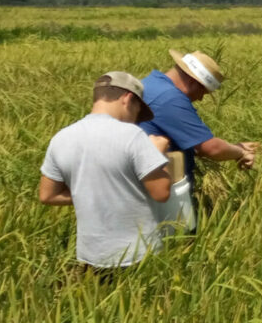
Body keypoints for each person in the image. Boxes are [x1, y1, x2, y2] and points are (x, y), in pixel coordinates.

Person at [39, 72, 172, 270]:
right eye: (137, 112)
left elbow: (48, 195)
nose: (135, 120)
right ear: (128, 99)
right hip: (140, 254)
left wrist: (91, 194)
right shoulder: (133, 136)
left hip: (91, 256)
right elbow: (161, 193)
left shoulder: (61, 138)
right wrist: (158, 155)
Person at [138, 49, 258, 232]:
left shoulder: (150, 84)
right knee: (175, 244)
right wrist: (240, 152)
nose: (201, 99)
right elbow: (211, 148)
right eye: (203, 91)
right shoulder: (169, 98)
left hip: (144, 186)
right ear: (193, 82)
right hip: (161, 190)